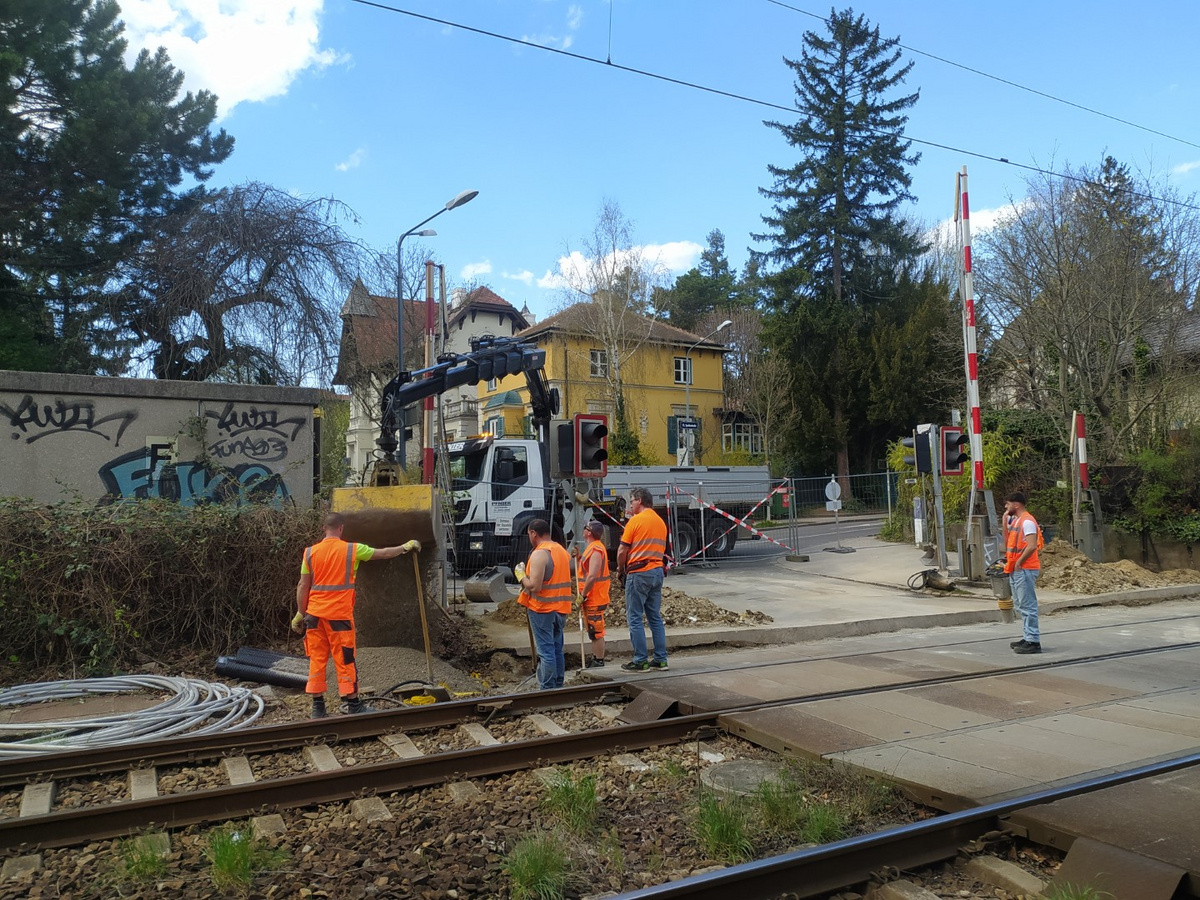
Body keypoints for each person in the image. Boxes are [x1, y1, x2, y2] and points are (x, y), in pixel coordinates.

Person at [293, 512, 419, 717]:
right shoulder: (352, 549)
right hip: (339, 616)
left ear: (324, 529)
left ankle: (318, 707)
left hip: (314, 616)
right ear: (341, 528)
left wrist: (300, 613)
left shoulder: (309, 553)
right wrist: (405, 546)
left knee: (316, 658)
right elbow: (384, 553)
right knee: (345, 658)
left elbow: (302, 585)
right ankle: (353, 705)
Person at [515, 519, 573, 690]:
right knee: (556, 649)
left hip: (542, 610)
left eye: (529, 534)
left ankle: (547, 689)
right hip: (561, 609)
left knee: (546, 651)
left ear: (533, 533)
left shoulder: (540, 553)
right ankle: (557, 684)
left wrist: (520, 575)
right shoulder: (561, 551)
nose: (529, 538)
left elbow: (535, 585)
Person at [617, 488, 669, 672]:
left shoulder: (635, 521)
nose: (630, 504)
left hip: (639, 573)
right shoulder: (660, 522)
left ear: (639, 500)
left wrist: (620, 569)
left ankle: (640, 660)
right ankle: (661, 660)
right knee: (654, 617)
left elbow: (623, 550)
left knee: (634, 618)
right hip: (657, 571)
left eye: (632, 501)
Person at [1003, 492, 1043, 654]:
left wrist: (1019, 561)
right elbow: (1006, 542)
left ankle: (1033, 641)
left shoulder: (1027, 522)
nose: (1006, 507)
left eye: (1008, 504)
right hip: (1017, 568)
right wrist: (1004, 520)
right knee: (1021, 605)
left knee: (1028, 605)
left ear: (1016, 505)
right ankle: (1028, 637)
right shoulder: (1017, 521)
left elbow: (1032, 545)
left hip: (1025, 568)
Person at [579, 519, 611, 668]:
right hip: (593, 596)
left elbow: (592, 576)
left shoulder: (596, 549)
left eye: (585, 528)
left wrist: (583, 595)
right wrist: (579, 557)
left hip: (594, 597)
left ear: (589, 532)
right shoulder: (593, 548)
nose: (583, 530)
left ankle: (599, 660)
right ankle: (596, 658)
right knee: (593, 630)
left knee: (596, 631)